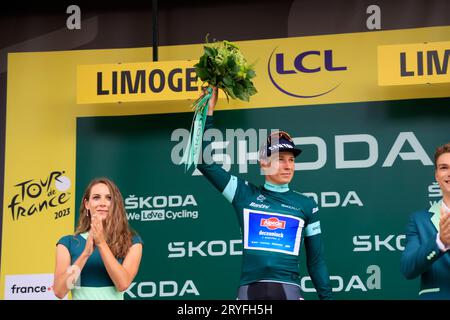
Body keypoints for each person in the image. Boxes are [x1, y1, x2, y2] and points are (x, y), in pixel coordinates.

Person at [194, 87, 333, 300]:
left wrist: (328, 299)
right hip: (250, 291)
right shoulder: (244, 194)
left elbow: (316, 262)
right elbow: (204, 162)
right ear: (264, 163)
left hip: (288, 290)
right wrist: (208, 111)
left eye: (292, 160)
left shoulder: (306, 205)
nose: (288, 166)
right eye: (280, 159)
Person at [53, 177, 143, 300]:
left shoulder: (132, 242)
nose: (102, 203)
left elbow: (123, 284)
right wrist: (85, 254)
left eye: (109, 198)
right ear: (87, 204)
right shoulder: (68, 243)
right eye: (96, 197)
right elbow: (59, 291)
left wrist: (101, 243)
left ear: (115, 204)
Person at [400, 142, 450, 299]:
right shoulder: (419, 221)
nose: (449, 173)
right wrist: (439, 242)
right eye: (444, 167)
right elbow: (408, 269)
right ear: (436, 175)